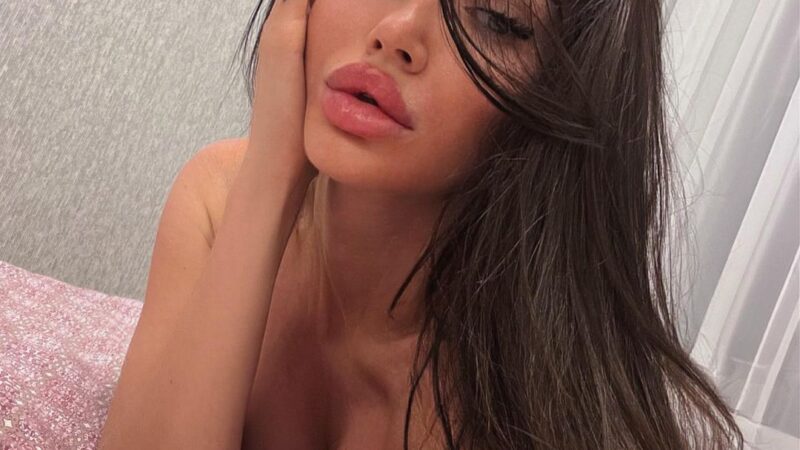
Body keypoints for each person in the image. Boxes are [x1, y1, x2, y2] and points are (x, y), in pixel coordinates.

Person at [99, 0, 746, 448]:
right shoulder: (220, 197)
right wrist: (271, 176)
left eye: (495, 18)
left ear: (556, 98)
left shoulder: (517, 389)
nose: (397, 32)